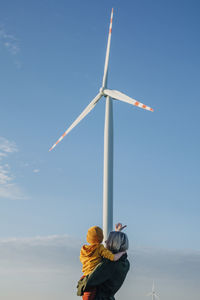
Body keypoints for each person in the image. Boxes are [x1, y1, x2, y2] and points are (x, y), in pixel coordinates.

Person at [77, 223, 130, 300]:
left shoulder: (109, 263)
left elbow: (89, 282)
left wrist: (80, 284)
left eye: (108, 240)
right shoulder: (125, 263)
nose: (105, 241)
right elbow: (114, 253)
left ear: (113, 243)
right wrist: (117, 232)